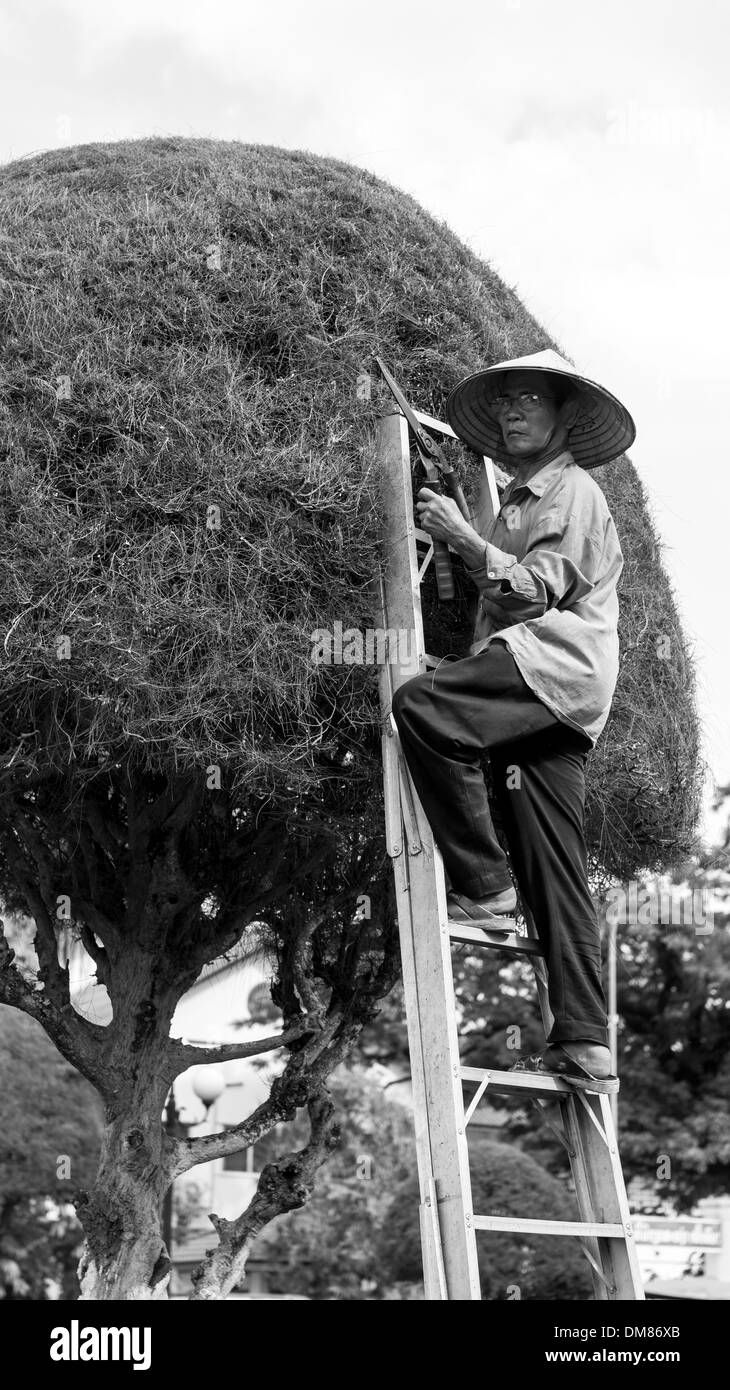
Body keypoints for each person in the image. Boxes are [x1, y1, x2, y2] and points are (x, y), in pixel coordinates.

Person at [390, 349, 635, 1092]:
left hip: (549, 666)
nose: (512, 410)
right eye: (505, 403)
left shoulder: (573, 493)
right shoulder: (520, 504)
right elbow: (501, 583)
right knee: (554, 863)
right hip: (561, 699)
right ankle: (588, 1040)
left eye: (529, 399)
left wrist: (461, 537)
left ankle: (485, 885)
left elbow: (530, 596)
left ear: (564, 417)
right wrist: (467, 522)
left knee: (423, 707)